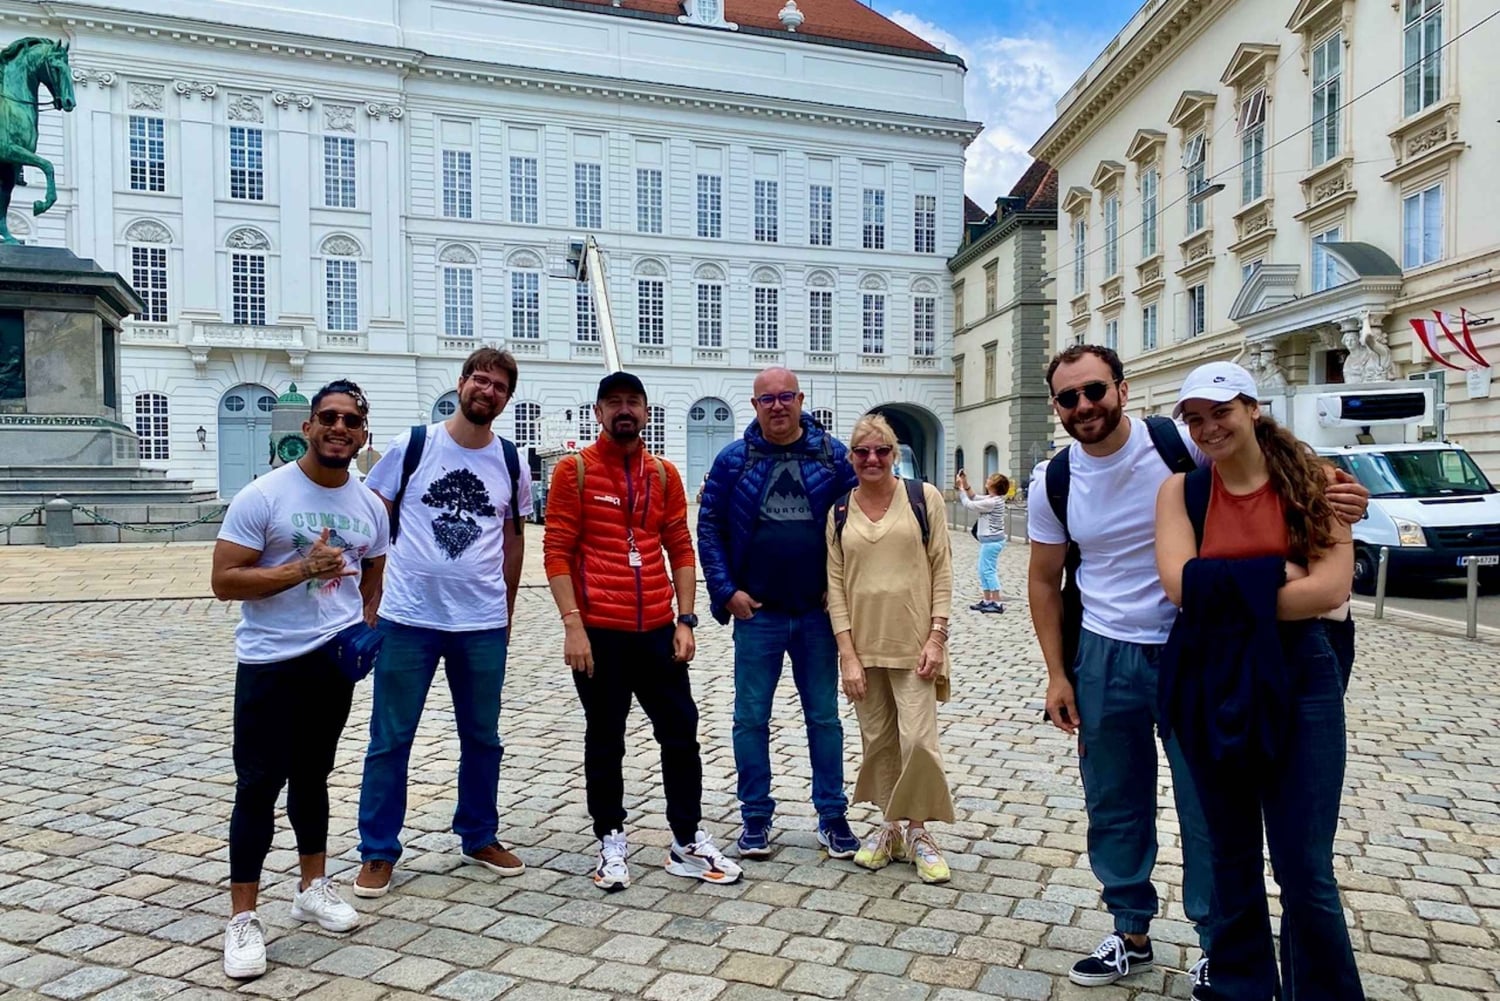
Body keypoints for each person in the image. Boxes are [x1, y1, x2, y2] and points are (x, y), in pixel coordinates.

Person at [1026, 345, 1367, 996]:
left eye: (1094, 390)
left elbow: (1278, 470)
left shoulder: (1178, 442)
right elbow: (1046, 580)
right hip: (1106, 650)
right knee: (1115, 800)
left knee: (1214, 816)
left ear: (1122, 390)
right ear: (1057, 408)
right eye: (1068, 398)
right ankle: (1131, 929)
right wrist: (1057, 672)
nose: (1083, 406)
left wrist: (1349, 493)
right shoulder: (1056, 478)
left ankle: (1221, 948)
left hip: (1203, 654)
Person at [1155, 362, 1364, 1001]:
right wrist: (1283, 571)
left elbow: (1330, 589)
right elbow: (1178, 586)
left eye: (1221, 411)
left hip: (1301, 671)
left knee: (1305, 869)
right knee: (1231, 854)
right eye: (1195, 417)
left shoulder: (1317, 483)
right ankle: (1240, 987)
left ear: (1250, 408)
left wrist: (1229, 592)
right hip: (1209, 676)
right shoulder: (1182, 493)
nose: (1209, 427)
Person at [210, 379, 389, 980]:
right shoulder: (264, 495)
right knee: (258, 784)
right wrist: (300, 569)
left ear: (364, 433)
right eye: (329, 418)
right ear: (308, 427)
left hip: (330, 663)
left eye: (352, 421)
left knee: (314, 776)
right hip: (270, 661)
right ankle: (243, 916)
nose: (340, 429)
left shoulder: (367, 504)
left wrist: (361, 626)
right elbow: (225, 580)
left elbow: (373, 568)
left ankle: (312, 885)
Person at [543, 371, 742, 891]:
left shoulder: (664, 475)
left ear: (646, 413)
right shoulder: (574, 472)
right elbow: (557, 551)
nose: (623, 410)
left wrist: (686, 619)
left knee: (681, 734)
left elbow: (679, 546)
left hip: (657, 629)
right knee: (605, 739)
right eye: (614, 403)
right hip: (600, 634)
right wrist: (573, 627)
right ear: (598, 412)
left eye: (633, 402)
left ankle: (686, 838)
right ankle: (610, 837)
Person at [353, 348, 532, 898]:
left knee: (483, 736)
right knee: (391, 737)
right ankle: (378, 850)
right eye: (481, 379)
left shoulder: (510, 460)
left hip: (479, 621)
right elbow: (371, 520)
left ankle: (478, 834)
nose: (488, 390)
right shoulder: (415, 446)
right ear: (461, 383)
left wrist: (506, 610)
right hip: (408, 617)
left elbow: (513, 537)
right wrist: (369, 596)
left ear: (507, 398)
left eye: (500, 385)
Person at [697, 367, 861, 860]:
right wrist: (726, 592)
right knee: (750, 718)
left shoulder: (832, 456)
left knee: (825, 720)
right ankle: (755, 818)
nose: (777, 406)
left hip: (816, 614)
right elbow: (709, 527)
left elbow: (862, 518)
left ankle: (832, 815)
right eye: (767, 399)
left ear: (800, 399)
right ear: (754, 405)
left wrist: (848, 594)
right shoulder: (733, 461)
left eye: (785, 396)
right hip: (758, 615)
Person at [827, 413, 956, 884]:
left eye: (881, 450)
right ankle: (890, 827)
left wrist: (937, 636)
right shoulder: (840, 511)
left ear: (894, 454)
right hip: (863, 647)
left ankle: (920, 831)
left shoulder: (924, 500)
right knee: (878, 741)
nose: (872, 459)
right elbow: (835, 585)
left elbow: (942, 569)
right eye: (862, 451)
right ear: (852, 458)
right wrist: (847, 653)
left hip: (915, 644)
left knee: (919, 741)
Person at [956, 470, 1009, 612]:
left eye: (990, 479)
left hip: (992, 542)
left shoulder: (992, 502)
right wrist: (965, 482)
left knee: (989, 571)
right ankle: (987, 600)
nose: (987, 479)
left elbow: (969, 504)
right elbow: (973, 496)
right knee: (982, 570)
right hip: (988, 542)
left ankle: (997, 603)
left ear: (994, 485)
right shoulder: (992, 499)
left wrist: (960, 489)